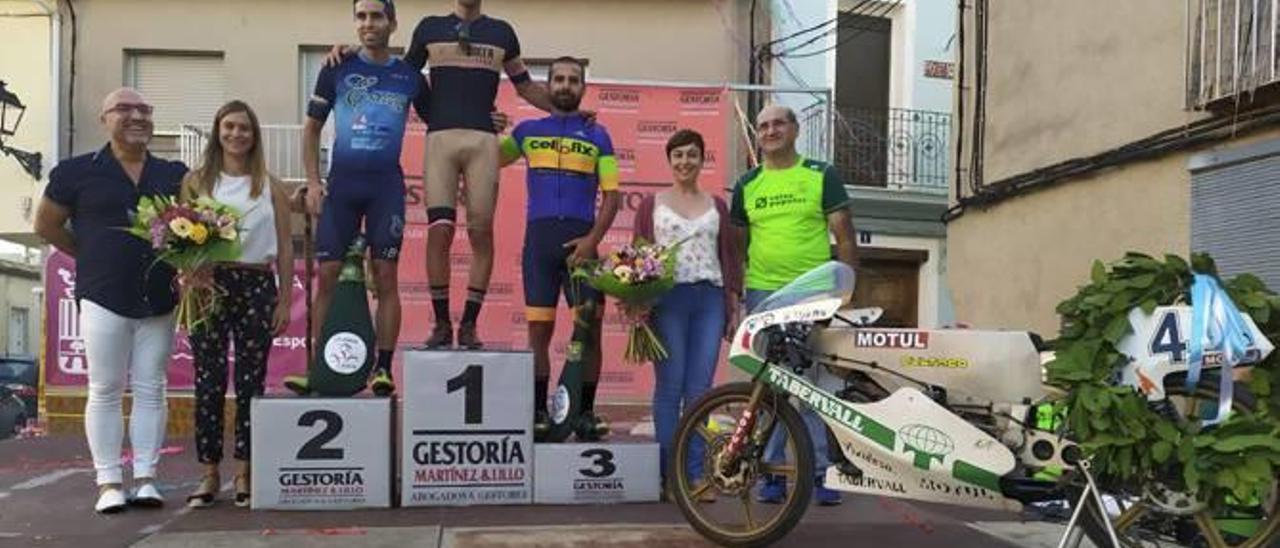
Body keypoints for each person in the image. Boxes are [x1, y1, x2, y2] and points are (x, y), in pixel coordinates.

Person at [33, 88, 187, 514]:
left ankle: (146, 478)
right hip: (102, 295)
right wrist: (93, 253)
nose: (136, 116)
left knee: (152, 388)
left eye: (144, 109)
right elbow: (46, 224)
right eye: (125, 109)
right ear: (104, 118)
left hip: (158, 296)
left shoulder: (174, 173)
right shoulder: (76, 171)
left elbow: (196, 221)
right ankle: (108, 483)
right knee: (103, 387)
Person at [405, 0, 560, 350]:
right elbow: (403, 77)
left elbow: (526, 87)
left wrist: (567, 110)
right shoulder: (428, 28)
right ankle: (442, 324)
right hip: (441, 139)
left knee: (481, 234)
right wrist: (354, 55)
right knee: (439, 232)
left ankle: (470, 325)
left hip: (482, 143)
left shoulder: (501, 32)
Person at [730, 105, 859, 507]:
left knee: (812, 386)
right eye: (764, 125)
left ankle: (820, 473)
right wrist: (739, 290)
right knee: (767, 386)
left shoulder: (822, 174)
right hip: (763, 294)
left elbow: (845, 236)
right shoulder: (747, 183)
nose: (770, 131)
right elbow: (738, 243)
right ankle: (770, 474)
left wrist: (845, 291)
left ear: (795, 130)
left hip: (814, 296)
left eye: (778, 123)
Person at [299, 0, 430, 396]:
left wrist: (483, 119)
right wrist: (313, 182)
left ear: (392, 23)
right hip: (341, 186)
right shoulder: (337, 67)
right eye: (361, 16)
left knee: (386, 277)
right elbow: (310, 129)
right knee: (328, 277)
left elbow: (442, 123)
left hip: (385, 188)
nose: (368, 23)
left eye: (376, 16)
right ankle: (322, 366)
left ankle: (383, 369)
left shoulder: (410, 76)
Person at [498, 56, 620, 438]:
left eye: (573, 80)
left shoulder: (599, 136)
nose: (566, 85)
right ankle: (538, 411)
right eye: (559, 79)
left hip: (583, 245)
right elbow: (488, 162)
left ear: (583, 87)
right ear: (548, 86)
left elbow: (613, 197)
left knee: (591, 330)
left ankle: (584, 412)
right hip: (540, 245)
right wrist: (487, 132)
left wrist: (592, 241)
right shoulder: (527, 131)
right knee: (539, 330)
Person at [181, 101, 294, 508]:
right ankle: (208, 472)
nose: (236, 134)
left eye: (244, 128)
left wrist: (284, 300)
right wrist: (190, 273)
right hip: (210, 283)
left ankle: (246, 469)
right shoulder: (196, 181)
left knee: (251, 382)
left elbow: (284, 246)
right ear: (217, 131)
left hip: (256, 283)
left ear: (254, 135)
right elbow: (182, 236)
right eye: (229, 127)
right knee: (208, 380)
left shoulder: (270, 184)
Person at [632, 129, 742, 496]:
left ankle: (694, 476)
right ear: (669, 160)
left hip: (709, 300)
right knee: (670, 387)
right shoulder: (652, 204)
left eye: (691, 154)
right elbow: (638, 255)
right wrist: (637, 299)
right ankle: (668, 476)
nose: (684, 161)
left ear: (702, 159)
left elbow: (730, 257)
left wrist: (732, 304)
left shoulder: (717, 206)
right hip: (667, 300)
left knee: (700, 391)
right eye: (677, 155)